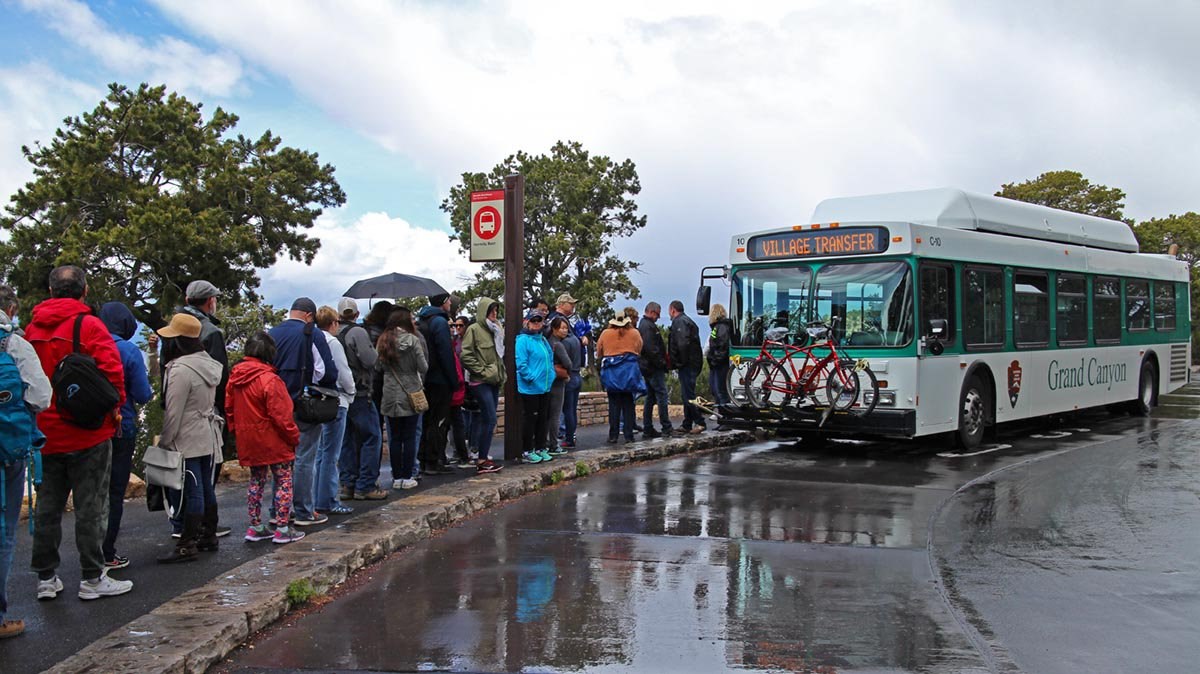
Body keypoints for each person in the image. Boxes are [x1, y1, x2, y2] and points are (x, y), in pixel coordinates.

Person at [25, 265, 131, 600]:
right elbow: (113, 373)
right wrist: (114, 414)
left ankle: (46, 577)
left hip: (45, 431)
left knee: (48, 505)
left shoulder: (32, 330)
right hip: (88, 432)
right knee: (91, 505)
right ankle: (91, 576)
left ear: (52, 290)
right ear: (84, 290)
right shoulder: (89, 326)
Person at [0, 284, 51, 638]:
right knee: (3, 531)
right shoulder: (13, 343)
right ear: (12, 309)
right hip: (6, 449)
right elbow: (42, 396)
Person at [156, 313, 225, 563]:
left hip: (185, 436)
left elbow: (173, 411)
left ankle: (186, 543)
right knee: (205, 488)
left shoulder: (180, 370)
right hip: (207, 432)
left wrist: (165, 441)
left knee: (192, 491)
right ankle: (209, 534)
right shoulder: (208, 364)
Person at [225, 332, 304, 544]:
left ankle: (255, 525)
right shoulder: (270, 379)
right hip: (274, 440)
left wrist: (237, 433)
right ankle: (282, 527)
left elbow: (229, 409)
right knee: (283, 481)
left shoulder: (235, 378)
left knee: (256, 481)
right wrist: (293, 436)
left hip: (249, 438)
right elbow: (282, 415)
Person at [268, 297, 339, 527]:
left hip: (275, 403)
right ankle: (304, 511)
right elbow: (326, 371)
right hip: (303, 402)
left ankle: (278, 509)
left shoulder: (273, 333)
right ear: (309, 315)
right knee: (304, 458)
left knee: (280, 460)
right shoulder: (312, 333)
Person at [97, 302, 154, 571]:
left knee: (92, 490)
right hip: (121, 424)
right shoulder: (128, 350)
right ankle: (106, 552)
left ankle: (89, 551)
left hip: (87, 426)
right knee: (115, 490)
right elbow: (143, 394)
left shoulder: (85, 343)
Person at [177, 280, 231, 538]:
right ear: (210, 301)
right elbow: (220, 376)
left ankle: (183, 523)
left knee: (184, 473)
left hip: (178, 405)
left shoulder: (175, 327)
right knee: (206, 472)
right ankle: (204, 528)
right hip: (205, 409)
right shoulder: (210, 332)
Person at [335, 298, 385, 501]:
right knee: (371, 437)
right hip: (360, 391)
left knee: (347, 440)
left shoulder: (333, 334)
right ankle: (366, 485)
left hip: (339, 395)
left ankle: (347, 483)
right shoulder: (358, 333)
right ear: (356, 314)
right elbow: (371, 360)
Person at [377, 308, 427, 490]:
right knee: (410, 435)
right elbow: (423, 366)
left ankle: (396, 477)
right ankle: (407, 476)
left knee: (395, 437)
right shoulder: (413, 340)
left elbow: (378, 366)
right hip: (411, 391)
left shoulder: (383, 340)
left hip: (390, 392)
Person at [314, 307, 355, 516]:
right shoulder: (332, 342)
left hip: (316, 399)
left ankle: (316, 497)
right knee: (331, 453)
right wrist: (351, 392)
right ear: (333, 323)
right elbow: (343, 372)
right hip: (336, 399)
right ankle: (328, 499)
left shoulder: (311, 340)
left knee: (320, 453)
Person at [460, 298, 504, 474]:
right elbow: (466, 355)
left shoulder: (496, 329)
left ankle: (483, 457)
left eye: (496, 311)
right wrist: (482, 371)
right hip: (480, 381)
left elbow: (499, 354)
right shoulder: (474, 329)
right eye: (491, 311)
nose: (494, 314)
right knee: (490, 417)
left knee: (489, 419)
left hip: (494, 379)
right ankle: (481, 458)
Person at [416, 293, 455, 476]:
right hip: (440, 379)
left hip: (426, 378)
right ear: (442, 303)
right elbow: (445, 353)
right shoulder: (439, 323)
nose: (450, 304)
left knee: (427, 420)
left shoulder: (422, 321)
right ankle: (434, 460)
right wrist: (453, 379)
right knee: (438, 421)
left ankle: (424, 459)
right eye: (448, 301)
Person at [596, 313, 644, 443]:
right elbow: (639, 349)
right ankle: (629, 435)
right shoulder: (634, 333)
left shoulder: (606, 333)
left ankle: (613, 435)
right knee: (628, 404)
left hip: (612, 373)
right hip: (628, 372)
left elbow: (599, 351)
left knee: (614, 405)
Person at [515, 311, 554, 463]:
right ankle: (527, 450)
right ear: (527, 322)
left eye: (539, 321)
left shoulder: (542, 340)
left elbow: (549, 359)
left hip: (544, 386)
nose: (537, 323)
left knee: (543, 419)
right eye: (534, 320)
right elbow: (521, 363)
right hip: (530, 387)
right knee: (530, 419)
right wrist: (531, 378)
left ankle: (540, 447)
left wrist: (551, 376)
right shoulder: (523, 340)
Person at [668, 300, 706, 433]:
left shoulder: (680, 322)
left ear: (673, 310)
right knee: (687, 393)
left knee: (688, 395)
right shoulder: (687, 321)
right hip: (692, 362)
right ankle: (687, 423)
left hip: (688, 364)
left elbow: (682, 344)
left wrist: (679, 362)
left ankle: (700, 422)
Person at [638, 302, 672, 438]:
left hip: (648, 367)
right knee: (662, 396)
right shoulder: (647, 327)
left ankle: (648, 427)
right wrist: (662, 363)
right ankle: (666, 426)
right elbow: (652, 349)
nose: (658, 317)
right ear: (652, 312)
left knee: (650, 398)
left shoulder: (645, 325)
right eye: (657, 314)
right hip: (653, 367)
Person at [545, 316, 573, 455]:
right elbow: (568, 363)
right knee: (555, 414)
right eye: (562, 328)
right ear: (554, 329)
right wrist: (567, 372)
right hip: (557, 382)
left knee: (546, 414)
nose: (564, 331)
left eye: (566, 328)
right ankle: (554, 444)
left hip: (545, 381)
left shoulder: (546, 342)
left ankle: (543, 443)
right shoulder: (558, 345)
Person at [447, 313, 472, 468]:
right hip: (455, 385)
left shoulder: (464, 342)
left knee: (463, 420)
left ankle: (463, 451)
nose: (456, 328)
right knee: (456, 422)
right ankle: (460, 453)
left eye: (459, 325)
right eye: (453, 325)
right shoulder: (452, 343)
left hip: (463, 382)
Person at [706, 303, 734, 406]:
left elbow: (722, 346)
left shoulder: (721, 327)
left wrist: (714, 360)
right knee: (716, 390)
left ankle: (724, 412)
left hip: (720, 364)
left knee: (721, 390)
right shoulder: (717, 327)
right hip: (717, 363)